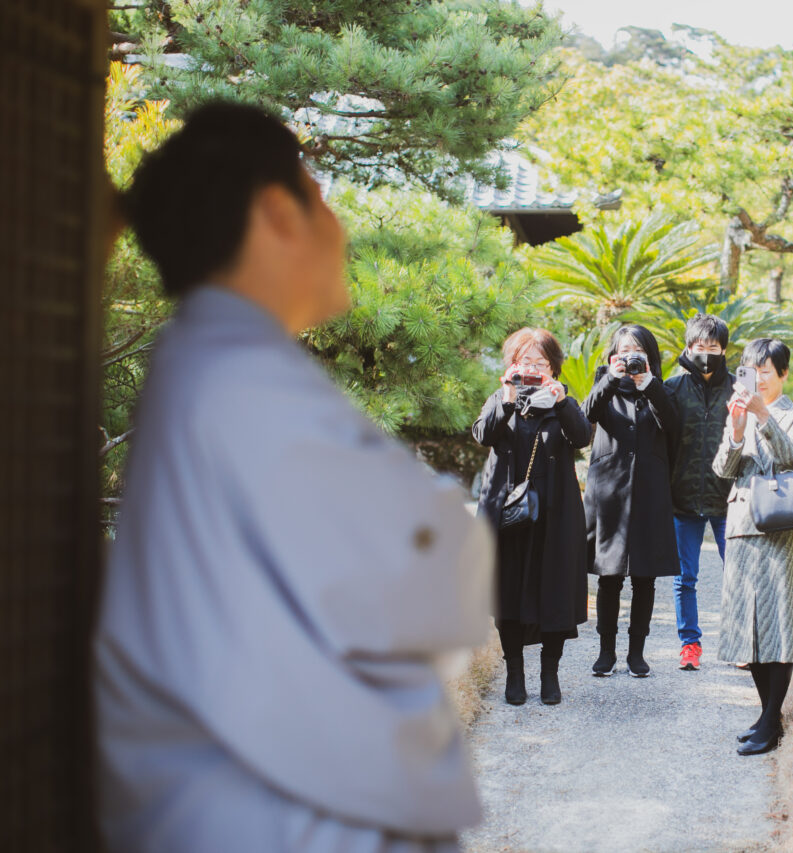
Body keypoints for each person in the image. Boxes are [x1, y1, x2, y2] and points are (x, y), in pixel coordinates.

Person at [95, 102, 494, 853]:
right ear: (279, 211)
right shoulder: (240, 380)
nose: (338, 227)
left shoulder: (211, 366)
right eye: (321, 195)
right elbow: (440, 583)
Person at [473, 328, 591, 706]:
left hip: (554, 512)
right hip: (507, 513)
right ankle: (515, 674)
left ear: (553, 368)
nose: (534, 368)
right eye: (526, 361)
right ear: (512, 364)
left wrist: (562, 401)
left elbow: (583, 436)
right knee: (507, 591)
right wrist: (507, 397)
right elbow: (482, 434)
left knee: (553, 590)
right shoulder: (501, 397)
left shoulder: (559, 401)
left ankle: (550, 674)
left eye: (542, 362)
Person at [712, 338, 793, 756]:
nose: (759, 381)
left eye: (767, 373)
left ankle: (772, 723)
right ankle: (764, 714)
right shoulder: (739, 409)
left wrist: (763, 415)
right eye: (752, 373)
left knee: (778, 625)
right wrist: (737, 431)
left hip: (781, 527)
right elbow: (723, 468)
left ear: (783, 373)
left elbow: (791, 459)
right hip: (741, 524)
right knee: (748, 628)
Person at [582, 324, 681, 677]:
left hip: (650, 492)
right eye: (624, 350)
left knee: (645, 577)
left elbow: (673, 425)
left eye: (637, 350)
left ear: (649, 355)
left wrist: (648, 385)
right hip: (609, 491)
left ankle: (636, 653)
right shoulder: (604, 382)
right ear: (614, 354)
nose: (630, 357)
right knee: (609, 577)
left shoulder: (660, 388)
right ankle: (605, 651)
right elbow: (584, 419)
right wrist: (610, 378)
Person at [665, 313, 735, 671]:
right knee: (684, 578)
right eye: (699, 345)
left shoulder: (738, 390)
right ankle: (689, 644)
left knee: (737, 573)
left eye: (713, 346)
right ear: (688, 347)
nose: (706, 352)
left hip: (729, 500)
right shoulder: (672, 389)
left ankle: (739, 642)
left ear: (723, 349)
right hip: (683, 501)